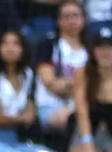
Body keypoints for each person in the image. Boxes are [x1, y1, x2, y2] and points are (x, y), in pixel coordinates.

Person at [0, 31, 59, 152]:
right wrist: (21, 119)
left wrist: (24, 117)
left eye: (15, 44)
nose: (10, 48)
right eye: (5, 43)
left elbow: (30, 112)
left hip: (13, 139)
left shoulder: (27, 74)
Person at [34, 0, 88, 133]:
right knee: (75, 120)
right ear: (58, 21)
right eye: (66, 16)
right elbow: (51, 84)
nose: (72, 21)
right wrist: (80, 85)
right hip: (51, 107)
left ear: (83, 19)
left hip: (81, 106)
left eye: (76, 15)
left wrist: (68, 83)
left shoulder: (90, 50)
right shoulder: (49, 46)